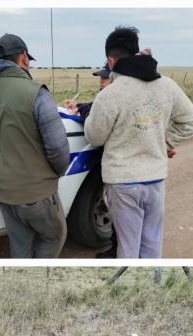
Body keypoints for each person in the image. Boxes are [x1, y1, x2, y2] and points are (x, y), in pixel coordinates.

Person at [84, 26, 193, 258]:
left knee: (128, 248)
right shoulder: (166, 85)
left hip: (123, 181)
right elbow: (191, 122)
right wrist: (164, 141)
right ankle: (153, 286)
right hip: (155, 179)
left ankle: (132, 289)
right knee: (152, 244)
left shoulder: (111, 94)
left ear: (110, 59)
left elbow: (94, 136)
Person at [0, 33, 70, 258]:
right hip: (37, 192)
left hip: (2, 192)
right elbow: (58, 148)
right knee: (54, 235)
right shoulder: (37, 94)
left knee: (20, 241)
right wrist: (58, 173)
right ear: (23, 58)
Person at [64, 63, 119, 258]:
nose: (100, 81)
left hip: (120, 171)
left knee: (120, 214)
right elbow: (95, 108)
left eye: (103, 78)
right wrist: (79, 107)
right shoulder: (109, 98)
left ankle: (118, 252)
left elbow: (95, 129)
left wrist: (84, 112)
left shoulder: (115, 100)